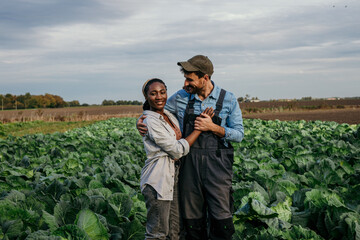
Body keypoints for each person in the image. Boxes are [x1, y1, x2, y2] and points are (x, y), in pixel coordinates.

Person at [137, 55, 244, 240]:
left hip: (218, 169)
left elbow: (239, 134)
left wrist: (214, 128)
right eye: (185, 78)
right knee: (192, 221)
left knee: (221, 220)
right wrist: (142, 119)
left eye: (190, 79)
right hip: (189, 166)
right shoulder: (179, 98)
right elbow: (157, 109)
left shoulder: (229, 99)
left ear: (205, 78)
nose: (185, 83)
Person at [140, 78, 215, 240]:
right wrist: (200, 127)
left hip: (172, 178)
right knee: (157, 233)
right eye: (153, 94)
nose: (159, 97)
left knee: (174, 230)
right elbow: (176, 150)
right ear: (146, 97)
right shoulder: (149, 121)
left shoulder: (167, 114)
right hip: (157, 181)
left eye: (162, 92)